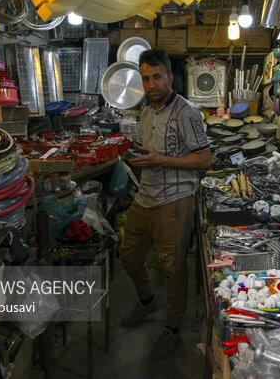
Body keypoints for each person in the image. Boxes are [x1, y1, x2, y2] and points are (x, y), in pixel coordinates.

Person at [119, 48, 211, 359]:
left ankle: (172, 328)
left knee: (172, 268)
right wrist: (135, 155)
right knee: (128, 255)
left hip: (175, 200)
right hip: (145, 197)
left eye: (157, 77)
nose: (151, 84)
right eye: (146, 78)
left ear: (169, 78)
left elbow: (204, 159)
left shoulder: (187, 113)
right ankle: (147, 300)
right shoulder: (145, 113)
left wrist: (162, 160)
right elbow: (148, 152)